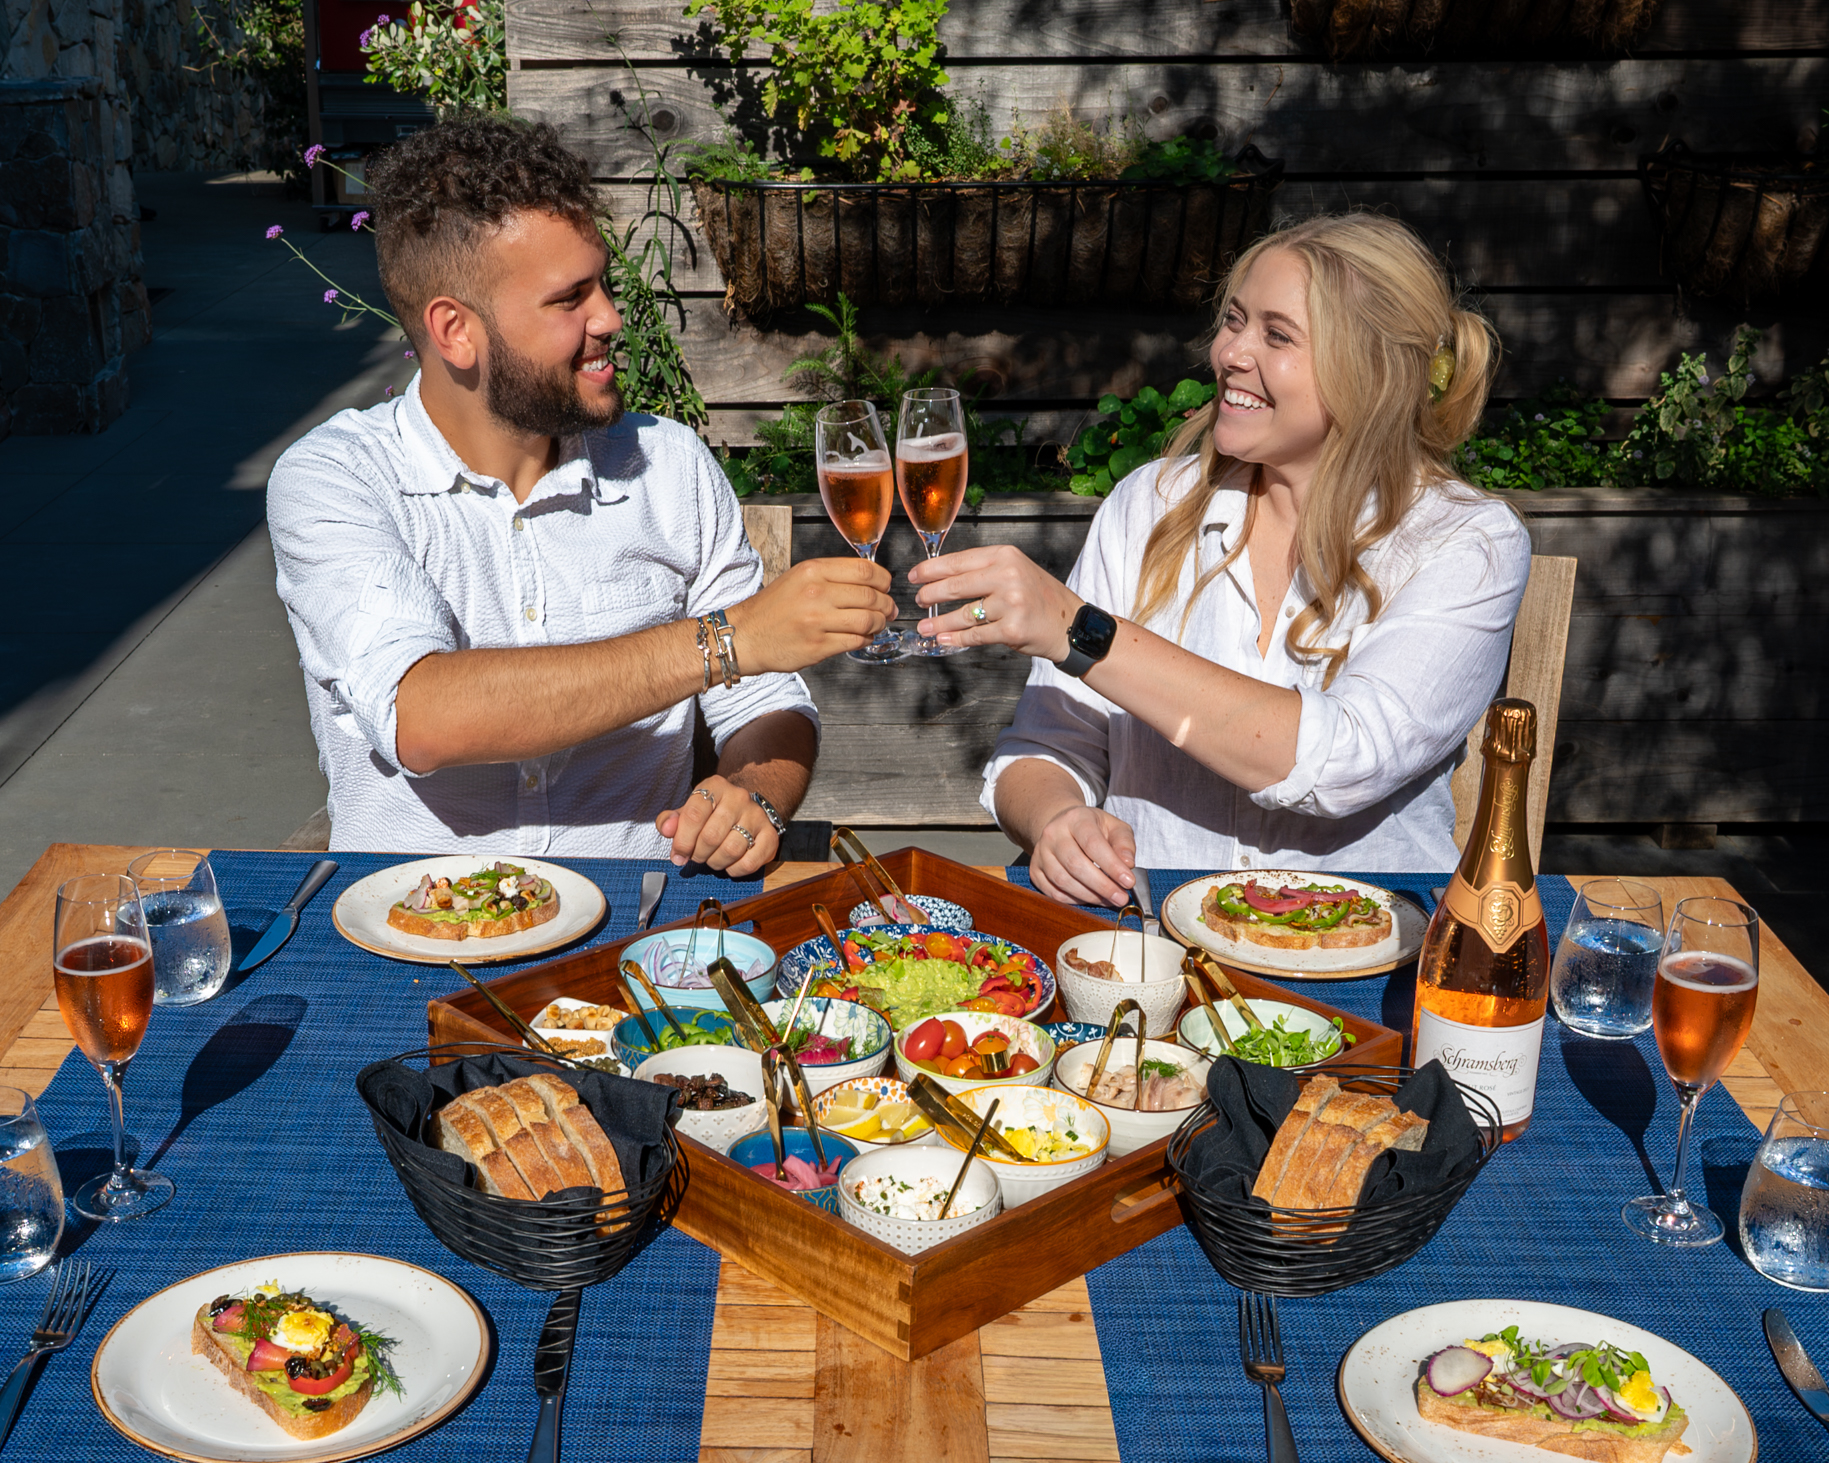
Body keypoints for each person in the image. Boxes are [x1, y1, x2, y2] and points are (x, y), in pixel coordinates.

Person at [268, 117, 895, 870]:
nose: (610, 317)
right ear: (454, 330)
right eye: (570, 299)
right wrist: (724, 641)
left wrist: (753, 793)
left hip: (640, 926)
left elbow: (766, 703)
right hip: (414, 928)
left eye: (601, 283)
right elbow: (421, 716)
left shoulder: (668, 465)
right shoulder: (338, 478)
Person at [906, 214, 1531, 907]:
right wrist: (1057, 819)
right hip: (1151, 941)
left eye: (1276, 334)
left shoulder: (1465, 542)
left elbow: (1342, 760)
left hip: (1371, 950)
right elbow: (1048, 743)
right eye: (1233, 321)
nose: (1232, 352)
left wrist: (1079, 628)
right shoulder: (1149, 503)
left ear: (1372, 371)